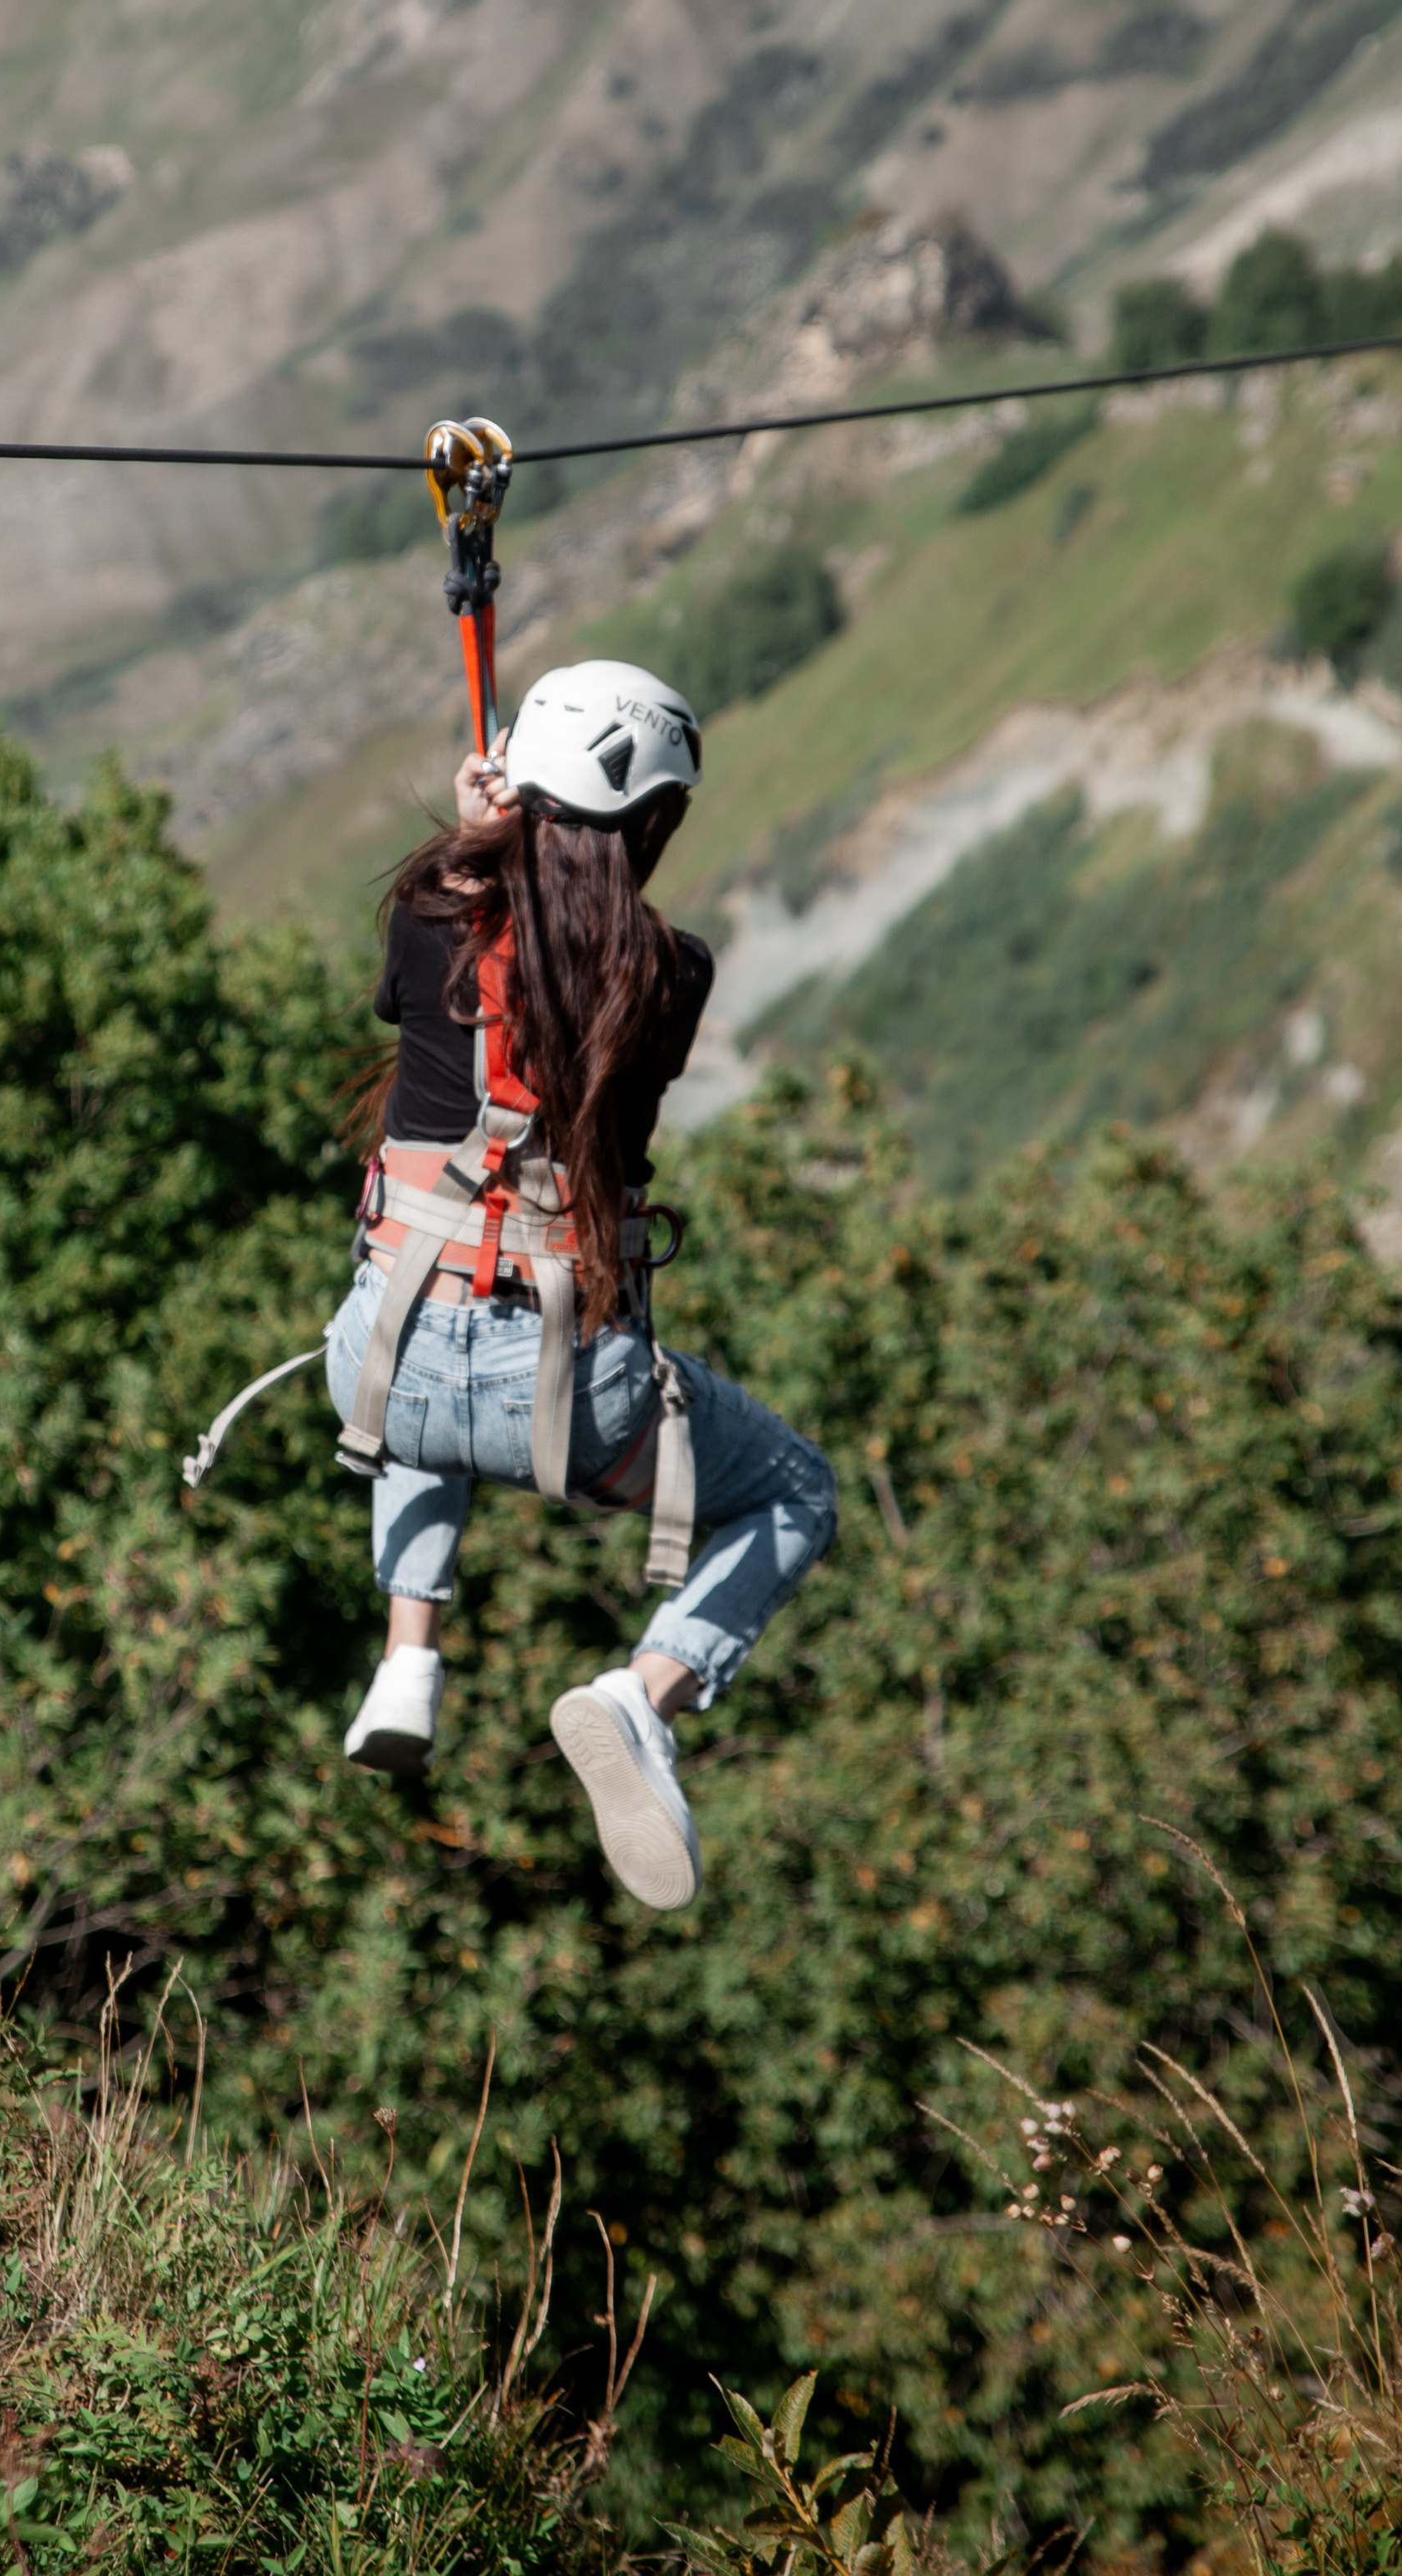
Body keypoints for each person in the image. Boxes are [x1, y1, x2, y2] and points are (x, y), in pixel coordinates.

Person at [323, 658, 837, 1911]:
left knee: (427, 1341)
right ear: (653, 824)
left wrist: (471, 841)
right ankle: (646, 1692)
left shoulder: (431, 909)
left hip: (377, 1364)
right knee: (793, 1492)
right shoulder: (671, 979)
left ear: (524, 792)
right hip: (567, 1399)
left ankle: (408, 1656)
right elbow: (568, 973)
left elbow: (418, 992)